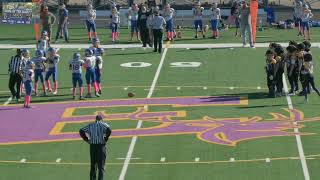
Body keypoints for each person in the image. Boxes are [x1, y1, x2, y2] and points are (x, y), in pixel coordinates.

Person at [79, 115, 112, 180]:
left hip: (93, 146)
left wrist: (86, 139)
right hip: (100, 146)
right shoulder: (102, 124)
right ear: (101, 119)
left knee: (93, 165)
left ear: (95, 119)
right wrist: (105, 138)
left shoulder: (91, 125)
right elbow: (109, 130)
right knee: (101, 166)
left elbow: (81, 131)